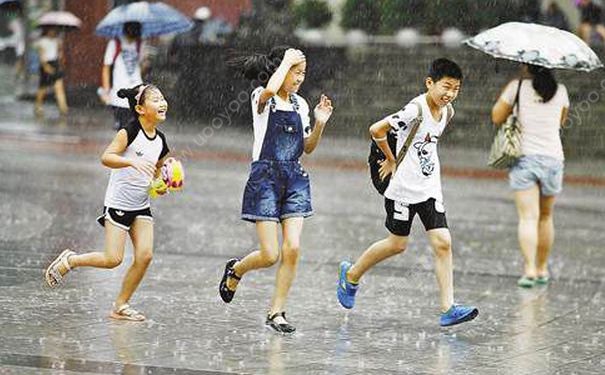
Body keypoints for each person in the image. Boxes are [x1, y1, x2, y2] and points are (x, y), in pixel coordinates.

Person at [337, 58, 478, 327]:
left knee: (443, 242)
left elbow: (426, 143)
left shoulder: (448, 112)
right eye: (446, 87)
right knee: (397, 244)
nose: (450, 94)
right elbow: (376, 130)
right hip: (402, 187)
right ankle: (351, 275)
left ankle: (448, 307)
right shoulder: (415, 109)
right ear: (430, 83)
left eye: (456, 89)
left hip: (429, 187)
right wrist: (390, 159)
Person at [219, 47, 333, 334]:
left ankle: (277, 311)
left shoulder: (301, 105)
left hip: (294, 178)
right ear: (281, 68)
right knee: (269, 255)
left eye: (302, 73)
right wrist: (286, 62)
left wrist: (319, 123)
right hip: (265, 179)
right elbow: (271, 87)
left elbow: (307, 148)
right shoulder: (262, 97)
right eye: (295, 71)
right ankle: (236, 270)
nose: (299, 78)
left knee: (292, 248)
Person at [44, 84, 171, 321]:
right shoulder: (129, 132)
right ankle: (71, 260)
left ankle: (121, 305)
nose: (162, 103)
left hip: (141, 204)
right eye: (156, 100)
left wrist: (161, 184)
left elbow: (157, 169)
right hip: (118, 203)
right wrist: (131, 163)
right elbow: (106, 157)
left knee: (145, 256)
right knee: (113, 259)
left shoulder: (161, 141)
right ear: (141, 109)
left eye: (163, 98)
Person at [491, 64, 569, 288]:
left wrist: (514, 101)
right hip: (553, 158)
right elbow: (561, 122)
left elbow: (496, 117)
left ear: (527, 65)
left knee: (528, 217)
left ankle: (529, 270)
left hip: (525, 158)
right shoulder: (561, 90)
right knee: (546, 217)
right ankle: (543, 268)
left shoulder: (517, 87)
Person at [100, 22, 147, 130]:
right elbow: (106, 67)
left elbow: (141, 69)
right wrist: (106, 90)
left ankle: (127, 145)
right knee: (124, 129)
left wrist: (145, 63)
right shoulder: (115, 43)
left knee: (135, 128)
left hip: (136, 93)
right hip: (119, 94)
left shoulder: (140, 43)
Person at [34, 26, 68, 116]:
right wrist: (45, 66)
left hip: (55, 63)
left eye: (54, 30)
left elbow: (59, 55)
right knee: (43, 88)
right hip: (46, 63)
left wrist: (59, 48)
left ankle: (63, 107)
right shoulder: (42, 41)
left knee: (59, 87)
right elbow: (41, 55)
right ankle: (38, 106)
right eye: (51, 30)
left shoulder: (57, 41)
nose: (53, 32)